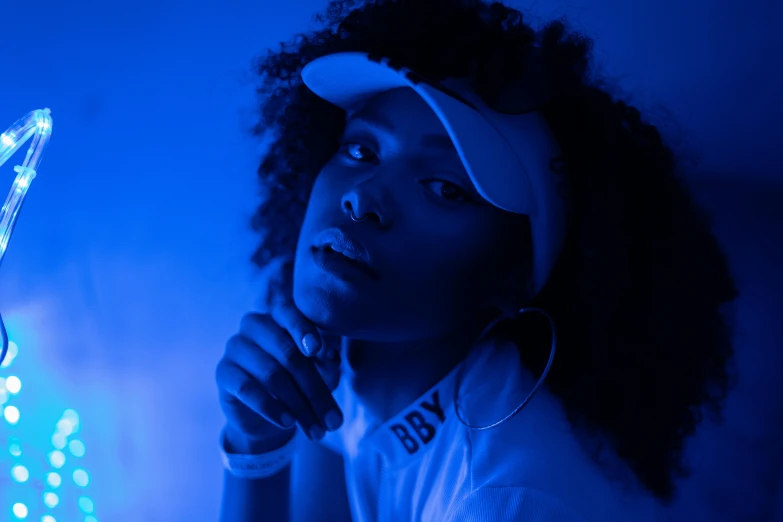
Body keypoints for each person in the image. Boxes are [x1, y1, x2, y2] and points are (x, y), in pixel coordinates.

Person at [215, 0, 738, 520]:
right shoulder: (349, 361)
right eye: (361, 151)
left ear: (512, 277)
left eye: (443, 188)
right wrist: (256, 443)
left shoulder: (503, 501)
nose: (362, 198)